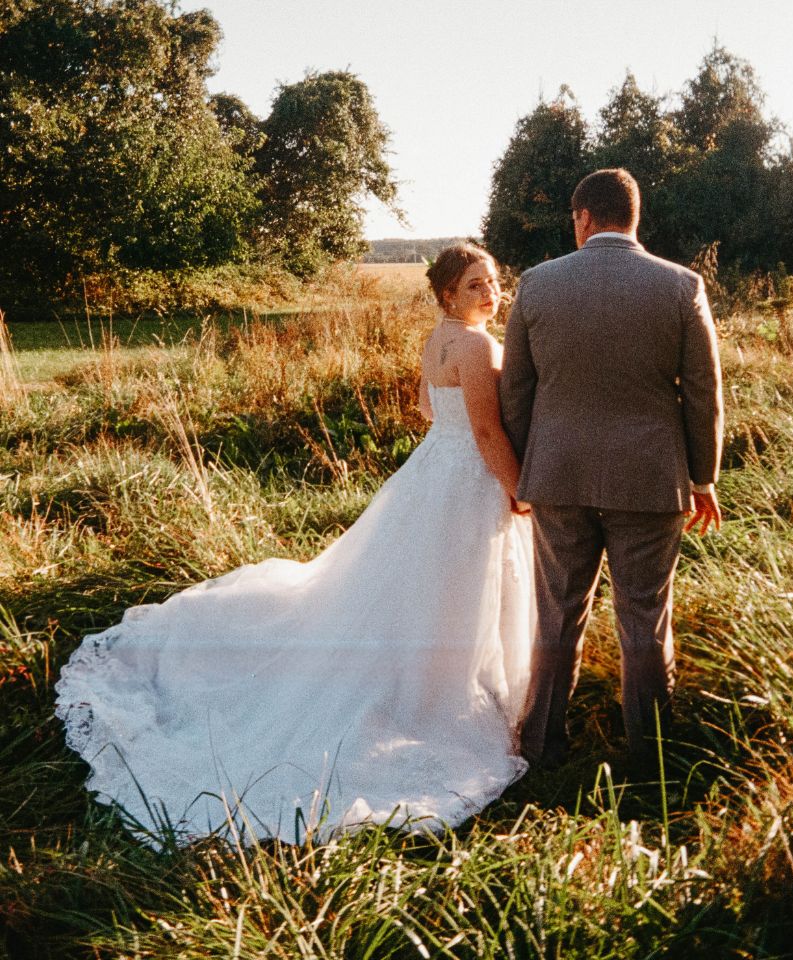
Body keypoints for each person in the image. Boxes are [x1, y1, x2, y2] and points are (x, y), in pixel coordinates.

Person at [56, 243, 535, 847]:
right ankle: (449, 692)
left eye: (493, 281)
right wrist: (520, 492)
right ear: (448, 294)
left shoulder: (438, 338)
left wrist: (455, 438)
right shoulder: (478, 346)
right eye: (475, 285)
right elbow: (487, 431)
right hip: (466, 476)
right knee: (456, 582)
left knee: (417, 584)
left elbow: (425, 406)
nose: (491, 293)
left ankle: (429, 671)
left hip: (433, 468)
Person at [500, 168, 723, 769]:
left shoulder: (537, 285)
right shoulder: (681, 286)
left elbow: (515, 392)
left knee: (556, 616)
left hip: (557, 476)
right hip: (650, 479)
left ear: (584, 218)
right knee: (645, 621)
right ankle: (650, 756)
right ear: (634, 216)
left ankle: (541, 747)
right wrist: (703, 478)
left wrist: (523, 474)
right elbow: (703, 392)